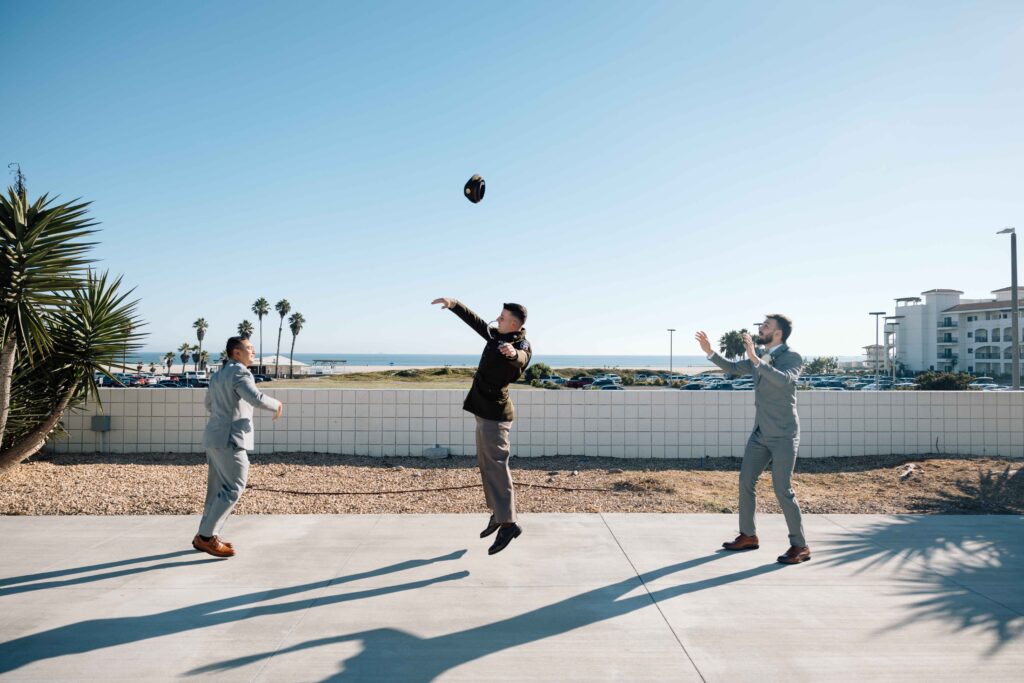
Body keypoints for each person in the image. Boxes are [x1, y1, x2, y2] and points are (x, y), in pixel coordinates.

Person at [696, 315, 810, 564]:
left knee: (783, 490)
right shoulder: (758, 356)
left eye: (767, 325)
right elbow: (734, 368)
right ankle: (748, 535)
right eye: (762, 324)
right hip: (760, 433)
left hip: (783, 434)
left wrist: (756, 360)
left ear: (779, 333)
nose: (761, 328)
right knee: (746, 481)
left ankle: (800, 546)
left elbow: (783, 380)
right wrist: (710, 352)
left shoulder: (793, 357)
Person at [432, 297, 532, 555]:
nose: (497, 320)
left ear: (513, 323)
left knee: (498, 466)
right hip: (483, 411)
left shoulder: (521, 344)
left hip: (496, 417)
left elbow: (522, 358)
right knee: (487, 465)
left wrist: (514, 353)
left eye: (501, 318)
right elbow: (476, 322)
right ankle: (498, 515)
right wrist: (454, 304)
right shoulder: (496, 336)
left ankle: (509, 523)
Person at [192, 336, 283, 557]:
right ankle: (205, 537)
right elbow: (256, 398)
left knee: (216, 490)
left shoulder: (218, 375)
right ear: (236, 353)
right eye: (249, 348)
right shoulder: (241, 372)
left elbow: (208, 404)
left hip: (214, 437)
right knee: (234, 487)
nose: (253, 351)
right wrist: (277, 405)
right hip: (230, 438)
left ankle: (205, 535)